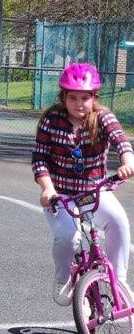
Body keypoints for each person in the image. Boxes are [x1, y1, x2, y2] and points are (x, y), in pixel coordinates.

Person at [32, 62, 134, 306]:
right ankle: (64, 279)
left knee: (119, 222)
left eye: (85, 98)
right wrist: (47, 188)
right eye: (73, 98)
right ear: (63, 97)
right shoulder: (51, 119)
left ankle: (118, 281)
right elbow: (40, 157)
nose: (79, 104)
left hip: (95, 191)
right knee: (69, 236)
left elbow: (121, 140)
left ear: (94, 97)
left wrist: (127, 161)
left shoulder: (102, 117)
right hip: (61, 195)